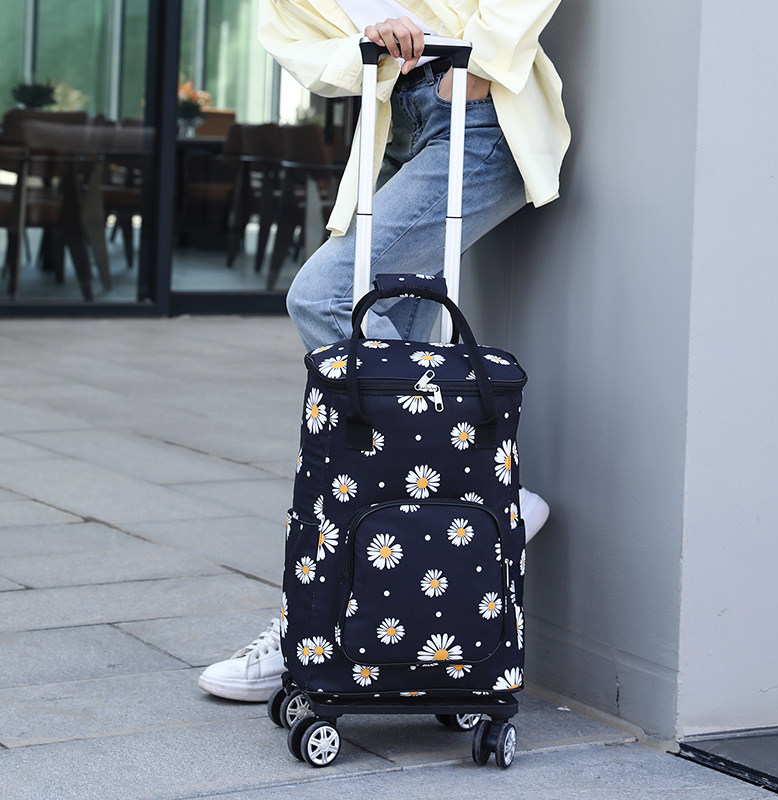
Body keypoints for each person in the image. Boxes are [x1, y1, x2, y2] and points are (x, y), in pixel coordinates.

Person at [198, 0, 570, 703]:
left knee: (325, 298)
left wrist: (481, 60)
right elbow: (298, 44)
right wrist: (366, 47)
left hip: (476, 114)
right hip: (399, 120)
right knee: (372, 450)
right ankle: (322, 629)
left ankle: (477, 494)